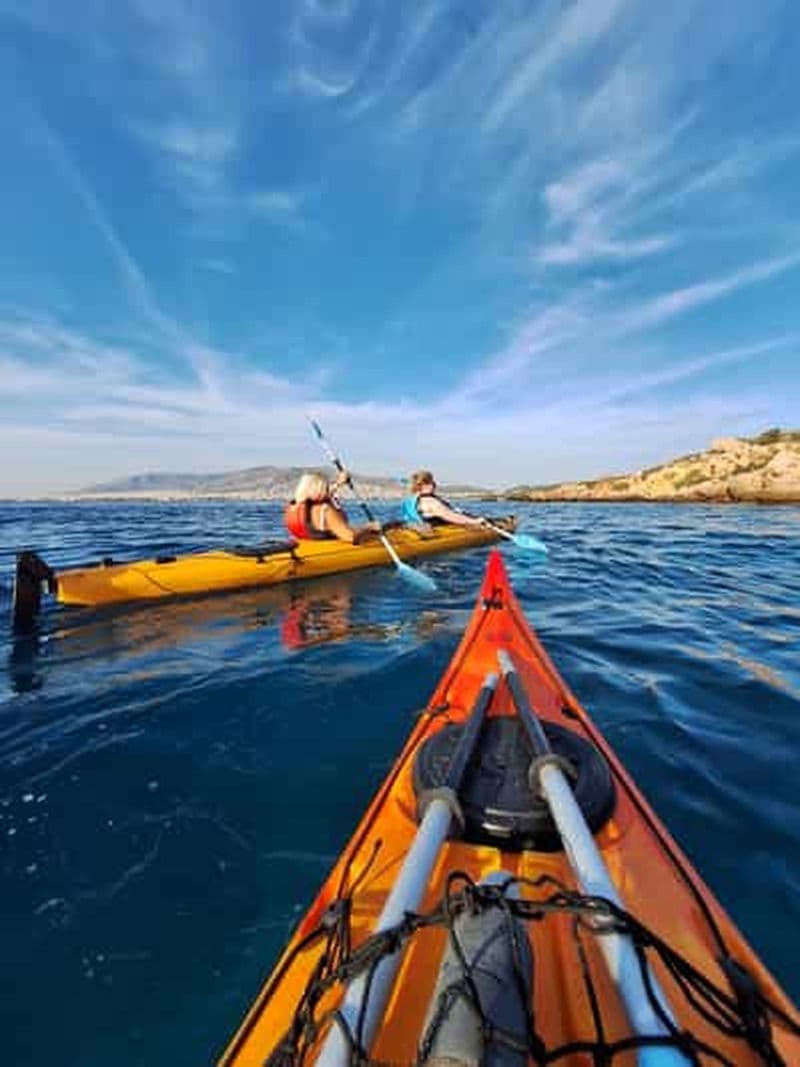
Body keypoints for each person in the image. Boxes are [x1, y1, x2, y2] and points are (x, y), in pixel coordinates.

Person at [284, 470, 381, 544]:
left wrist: (338, 483)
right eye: (325, 488)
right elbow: (351, 537)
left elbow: (324, 494)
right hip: (329, 550)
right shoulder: (325, 510)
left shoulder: (295, 505)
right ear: (317, 490)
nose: (327, 491)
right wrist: (368, 527)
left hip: (307, 544)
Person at [401, 470, 490, 528]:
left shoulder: (411, 500)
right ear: (427, 484)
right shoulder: (431, 502)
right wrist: (474, 521)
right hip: (432, 532)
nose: (435, 484)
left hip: (414, 528)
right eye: (432, 482)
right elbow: (451, 516)